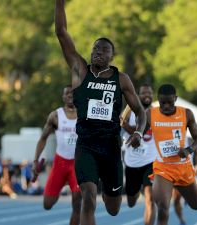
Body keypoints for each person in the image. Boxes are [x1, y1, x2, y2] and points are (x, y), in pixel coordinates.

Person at [55, 1, 146, 223]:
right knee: (87, 197)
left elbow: (141, 112)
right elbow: (61, 32)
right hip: (86, 145)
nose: (98, 52)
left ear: (111, 57)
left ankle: (110, 189)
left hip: (111, 148)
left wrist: (138, 133)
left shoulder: (121, 79)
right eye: (96, 48)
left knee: (113, 208)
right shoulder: (80, 71)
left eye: (104, 50)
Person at [147, 84, 197, 225]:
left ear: (176, 99)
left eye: (170, 103)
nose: (166, 106)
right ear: (157, 99)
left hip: (183, 167)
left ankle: (177, 185)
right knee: (163, 208)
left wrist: (188, 150)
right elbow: (139, 129)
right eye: (162, 103)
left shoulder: (187, 114)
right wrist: (135, 134)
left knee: (195, 205)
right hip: (163, 168)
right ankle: (168, 186)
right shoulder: (150, 114)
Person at [32, 85, 81, 225]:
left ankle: (71, 183)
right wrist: (35, 161)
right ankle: (61, 184)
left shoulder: (84, 114)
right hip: (60, 163)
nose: (70, 95)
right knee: (47, 204)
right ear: (63, 97)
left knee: (77, 201)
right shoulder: (55, 116)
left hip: (77, 164)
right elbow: (43, 138)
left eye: (73, 93)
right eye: (67, 93)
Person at [122, 84, 156, 225]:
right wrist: (126, 126)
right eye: (143, 93)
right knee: (130, 201)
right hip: (132, 162)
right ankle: (135, 193)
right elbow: (122, 125)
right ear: (138, 95)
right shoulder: (129, 111)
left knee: (150, 198)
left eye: (149, 93)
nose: (147, 95)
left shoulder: (156, 113)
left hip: (151, 161)